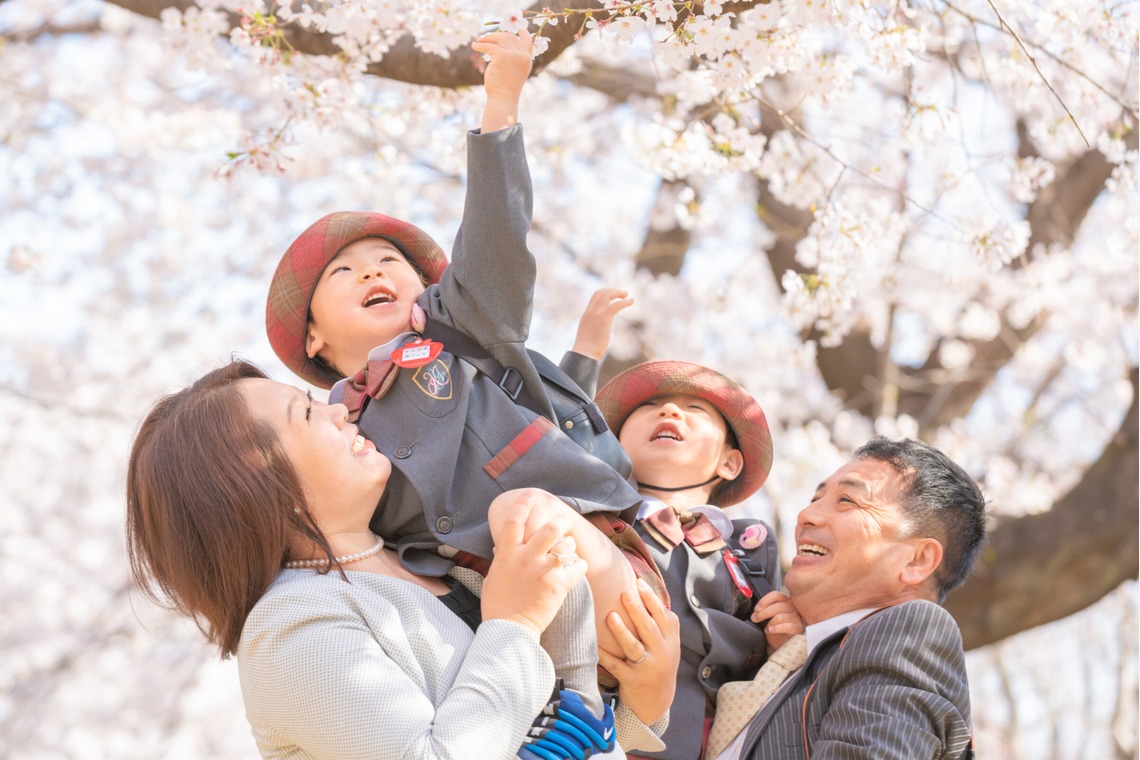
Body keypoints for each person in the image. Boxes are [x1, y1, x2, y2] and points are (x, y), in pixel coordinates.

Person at [263, 27, 676, 749]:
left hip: (583, 544)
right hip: (484, 606)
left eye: (388, 259)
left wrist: (501, 105)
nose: (372, 273)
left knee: (525, 509)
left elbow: (493, 244)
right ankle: (600, 723)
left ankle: (611, 700)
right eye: (343, 272)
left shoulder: (455, 332)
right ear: (314, 342)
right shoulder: (326, 429)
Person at [125, 360, 665, 759]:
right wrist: (516, 622)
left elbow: (558, 717)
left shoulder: (424, 562)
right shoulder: (289, 628)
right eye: (306, 412)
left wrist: (642, 702)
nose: (337, 410)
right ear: (260, 486)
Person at [719, 437, 986, 759]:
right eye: (815, 498)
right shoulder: (789, 661)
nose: (806, 515)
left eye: (848, 500)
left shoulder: (912, 629)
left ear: (917, 560)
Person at [594, 359, 801, 760]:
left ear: (729, 463)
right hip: (597, 731)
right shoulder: (600, 521)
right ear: (615, 447)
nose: (669, 411)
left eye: (695, 410)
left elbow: (759, 665)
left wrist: (781, 639)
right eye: (652, 404)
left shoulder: (749, 547)